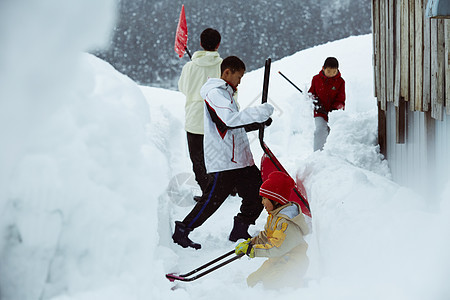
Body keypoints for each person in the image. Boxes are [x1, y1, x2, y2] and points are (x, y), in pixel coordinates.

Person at [172, 56, 274, 249]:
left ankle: (240, 228)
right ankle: (182, 230)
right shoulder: (215, 93)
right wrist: (259, 112)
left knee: (257, 192)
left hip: (240, 158)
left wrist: (257, 123)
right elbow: (228, 120)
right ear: (227, 72)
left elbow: (231, 126)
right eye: (239, 76)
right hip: (225, 159)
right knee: (212, 200)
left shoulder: (226, 93)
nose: (240, 81)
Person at [235, 171, 309, 289]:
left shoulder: (285, 223)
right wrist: (252, 243)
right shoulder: (275, 216)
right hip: (279, 259)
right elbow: (267, 235)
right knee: (253, 280)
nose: (262, 202)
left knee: (271, 282)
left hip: (294, 261)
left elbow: (276, 248)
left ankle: (301, 287)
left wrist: (253, 251)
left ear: (275, 200)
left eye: (265, 198)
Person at [178, 28, 222, 201]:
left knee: (198, 159)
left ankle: (208, 191)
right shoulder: (223, 65)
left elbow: (183, 89)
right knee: (219, 156)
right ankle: (223, 187)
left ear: (200, 44)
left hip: (195, 119)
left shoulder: (190, 67)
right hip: (217, 119)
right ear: (218, 45)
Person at [308, 57, 346, 151]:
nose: (331, 74)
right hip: (319, 112)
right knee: (320, 129)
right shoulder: (316, 79)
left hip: (333, 114)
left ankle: (330, 153)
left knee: (333, 132)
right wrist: (316, 102)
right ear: (323, 68)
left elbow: (341, 99)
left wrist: (336, 109)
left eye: (334, 71)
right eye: (329, 71)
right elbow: (310, 94)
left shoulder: (340, 82)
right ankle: (317, 153)